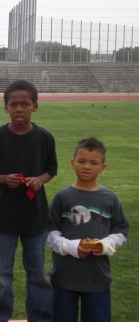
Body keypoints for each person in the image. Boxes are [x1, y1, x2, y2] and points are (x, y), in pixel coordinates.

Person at [0, 79, 56, 322]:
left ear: (35, 106)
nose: (19, 109)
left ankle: (41, 316)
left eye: (25, 104)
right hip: (4, 218)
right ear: (5, 107)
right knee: (2, 273)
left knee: (38, 274)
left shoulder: (44, 137)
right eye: (13, 104)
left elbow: (51, 169)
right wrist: (4, 179)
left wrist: (40, 180)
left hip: (36, 218)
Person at [47, 137, 129, 322]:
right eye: (81, 161)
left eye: (94, 163)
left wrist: (105, 245)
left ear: (103, 167)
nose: (86, 166)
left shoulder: (110, 199)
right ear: (72, 163)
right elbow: (49, 232)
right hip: (64, 277)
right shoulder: (62, 197)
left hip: (97, 278)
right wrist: (71, 247)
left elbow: (122, 230)